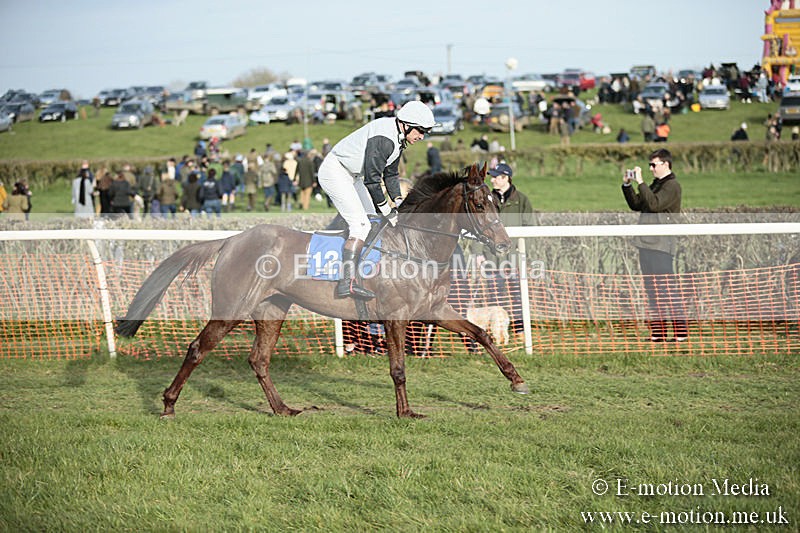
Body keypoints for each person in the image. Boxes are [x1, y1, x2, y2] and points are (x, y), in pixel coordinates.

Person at [317, 100, 436, 300]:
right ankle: (346, 283)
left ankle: (362, 272)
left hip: (353, 176)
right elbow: (373, 180)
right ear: (406, 124)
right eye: (420, 131)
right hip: (336, 171)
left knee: (372, 220)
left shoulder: (398, 138)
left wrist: (398, 202)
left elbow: (390, 174)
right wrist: (388, 211)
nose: (421, 136)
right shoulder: (385, 138)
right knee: (361, 226)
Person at [622, 148, 688, 342]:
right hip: (647, 245)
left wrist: (641, 183)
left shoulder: (672, 186)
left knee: (667, 289)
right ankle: (658, 333)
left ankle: (680, 333)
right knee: (652, 291)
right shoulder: (657, 184)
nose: (650, 169)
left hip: (661, 246)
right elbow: (638, 204)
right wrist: (627, 186)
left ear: (665, 165)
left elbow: (653, 204)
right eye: (649, 165)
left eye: (654, 165)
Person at [476, 163, 535, 333]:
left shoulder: (522, 200)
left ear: (505, 178)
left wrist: (524, 254)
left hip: (515, 259)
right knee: (495, 296)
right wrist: (478, 253)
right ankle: (498, 330)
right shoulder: (486, 200)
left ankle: (520, 330)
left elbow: (529, 227)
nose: (492, 180)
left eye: (495, 176)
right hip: (492, 259)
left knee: (519, 296)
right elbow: (479, 227)